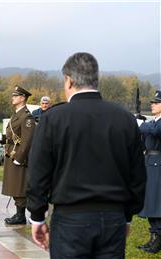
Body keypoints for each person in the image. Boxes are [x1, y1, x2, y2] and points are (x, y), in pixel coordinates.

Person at [26, 52, 146, 257]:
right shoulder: (124, 119)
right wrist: (127, 216)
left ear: (69, 80)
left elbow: (38, 173)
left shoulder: (53, 119)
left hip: (71, 220)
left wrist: (37, 217)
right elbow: (137, 175)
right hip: (112, 218)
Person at [0, 85, 35, 225]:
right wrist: (3, 138)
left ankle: (21, 216)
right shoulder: (17, 114)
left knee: (19, 186)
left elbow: (27, 140)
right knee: (15, 185)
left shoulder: (27, 117)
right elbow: (14, 135)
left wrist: (19, 158)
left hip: (19, 156)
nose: (13, 98)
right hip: (11, 154)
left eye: (15, 96)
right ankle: (18, 214)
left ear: (22, 98)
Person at [137, 91, 161, 254]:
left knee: (156, 202)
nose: (152, 104)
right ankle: (153, 238)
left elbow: (155, 131)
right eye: (152, 102)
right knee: (151, 203)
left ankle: (158, 239)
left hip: (158, 165)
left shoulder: (157, 124)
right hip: (150, 164)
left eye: (156, 102)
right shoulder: (154, 122)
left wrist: (141, 124)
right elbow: (146, 142)